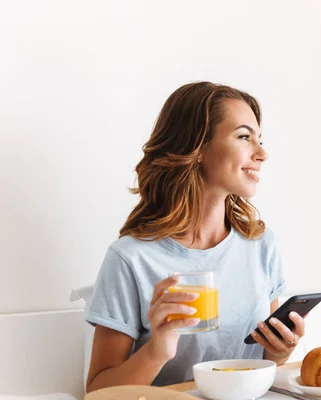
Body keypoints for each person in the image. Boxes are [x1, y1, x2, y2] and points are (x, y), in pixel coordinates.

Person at [85, 82, 305, 392]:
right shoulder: (131, 258)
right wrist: (157, 350)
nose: (262, 154)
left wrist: (280, 351)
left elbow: (264, 361)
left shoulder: (260, 245)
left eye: (259, 139)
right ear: (198, 147)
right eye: (244, 137)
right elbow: (98, 393)